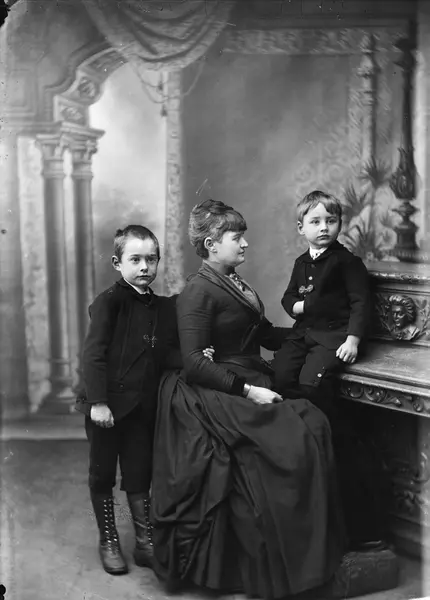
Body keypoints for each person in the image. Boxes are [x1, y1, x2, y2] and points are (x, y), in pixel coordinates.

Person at [151, 199, 346, 599]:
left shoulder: (235, 282)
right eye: (236, 238)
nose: (244, 244)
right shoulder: (198, 291)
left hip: (248, 374)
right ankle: (288, 561)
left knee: (313, 421)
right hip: (217, 388)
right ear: (211, 244)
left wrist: (320, 336)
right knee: (297, 431)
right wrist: (248, 391)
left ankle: (308, 555)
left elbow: (262, 333)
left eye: (242, 237)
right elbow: (194, 362)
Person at [76, 225, 183, 576]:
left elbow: (162, 354)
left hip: (140, 408)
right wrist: (98, 402)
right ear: (117, 263)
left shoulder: (161, 308)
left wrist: (195, 357)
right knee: (103, 473)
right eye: (135, 259)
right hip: (106, 407)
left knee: (139, 473)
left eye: (151, 259)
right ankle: (108, 540)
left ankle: (144, 542)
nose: (144, 267)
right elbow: (93, 355)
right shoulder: (108, 302)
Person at [272, 190, 371, 414]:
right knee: (280, 375)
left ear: (340, 224)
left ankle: (318, 425)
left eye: (331, 221)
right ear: (301, 228)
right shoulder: (301, 262)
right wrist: (300, 306)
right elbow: (289, 296)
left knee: (311, 383)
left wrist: (352, 340)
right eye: (315, 222)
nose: (324, 227)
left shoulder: (347, 262)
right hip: (303, 333)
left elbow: (360, 303)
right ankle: (292, 423)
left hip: (334, 336)